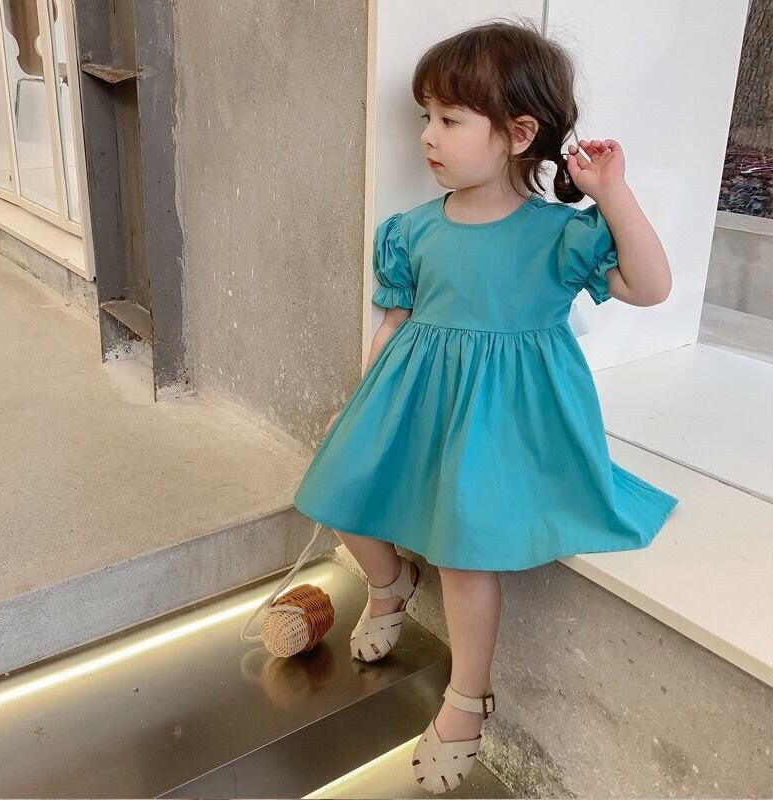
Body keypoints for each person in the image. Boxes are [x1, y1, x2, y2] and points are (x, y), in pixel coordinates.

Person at [291, 19, 679, 793]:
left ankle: (467, 697)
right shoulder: (412, 231)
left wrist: (612, 194)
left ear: (518, 134)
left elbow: (651, 287)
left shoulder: (558, 235)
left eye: (449, 119)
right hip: (419, 403)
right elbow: (395, 323)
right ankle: (389, 584)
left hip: (507, 423)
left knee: (467, 547)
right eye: (425, 117)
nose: (428, 136)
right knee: (335, 478)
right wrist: (362, 408)